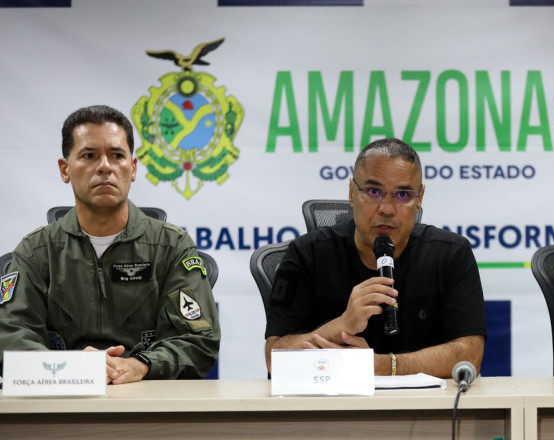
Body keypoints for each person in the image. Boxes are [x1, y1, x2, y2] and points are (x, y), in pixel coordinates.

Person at [0, 105, 220, 384]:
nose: (105, 166)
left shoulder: (172, 247)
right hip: (62, 394)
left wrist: (141, 365)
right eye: (89, 156)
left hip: (147, 395)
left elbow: (198, 339)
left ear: (133, 168)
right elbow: (8, 335)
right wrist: (68, 367)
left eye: (117, 155)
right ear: (65, 170)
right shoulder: (36, 252)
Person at [264, 138, 486, 378]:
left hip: (423, 401)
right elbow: (274, 359)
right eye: (373, 192)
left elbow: (471, 355)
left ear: (419, 198)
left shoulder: (451, 253)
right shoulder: (307, 254)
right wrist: (340, 326)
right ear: (352, 192)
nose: (386, 209)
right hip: (330, 399)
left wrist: (379, 366)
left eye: (403, 194)